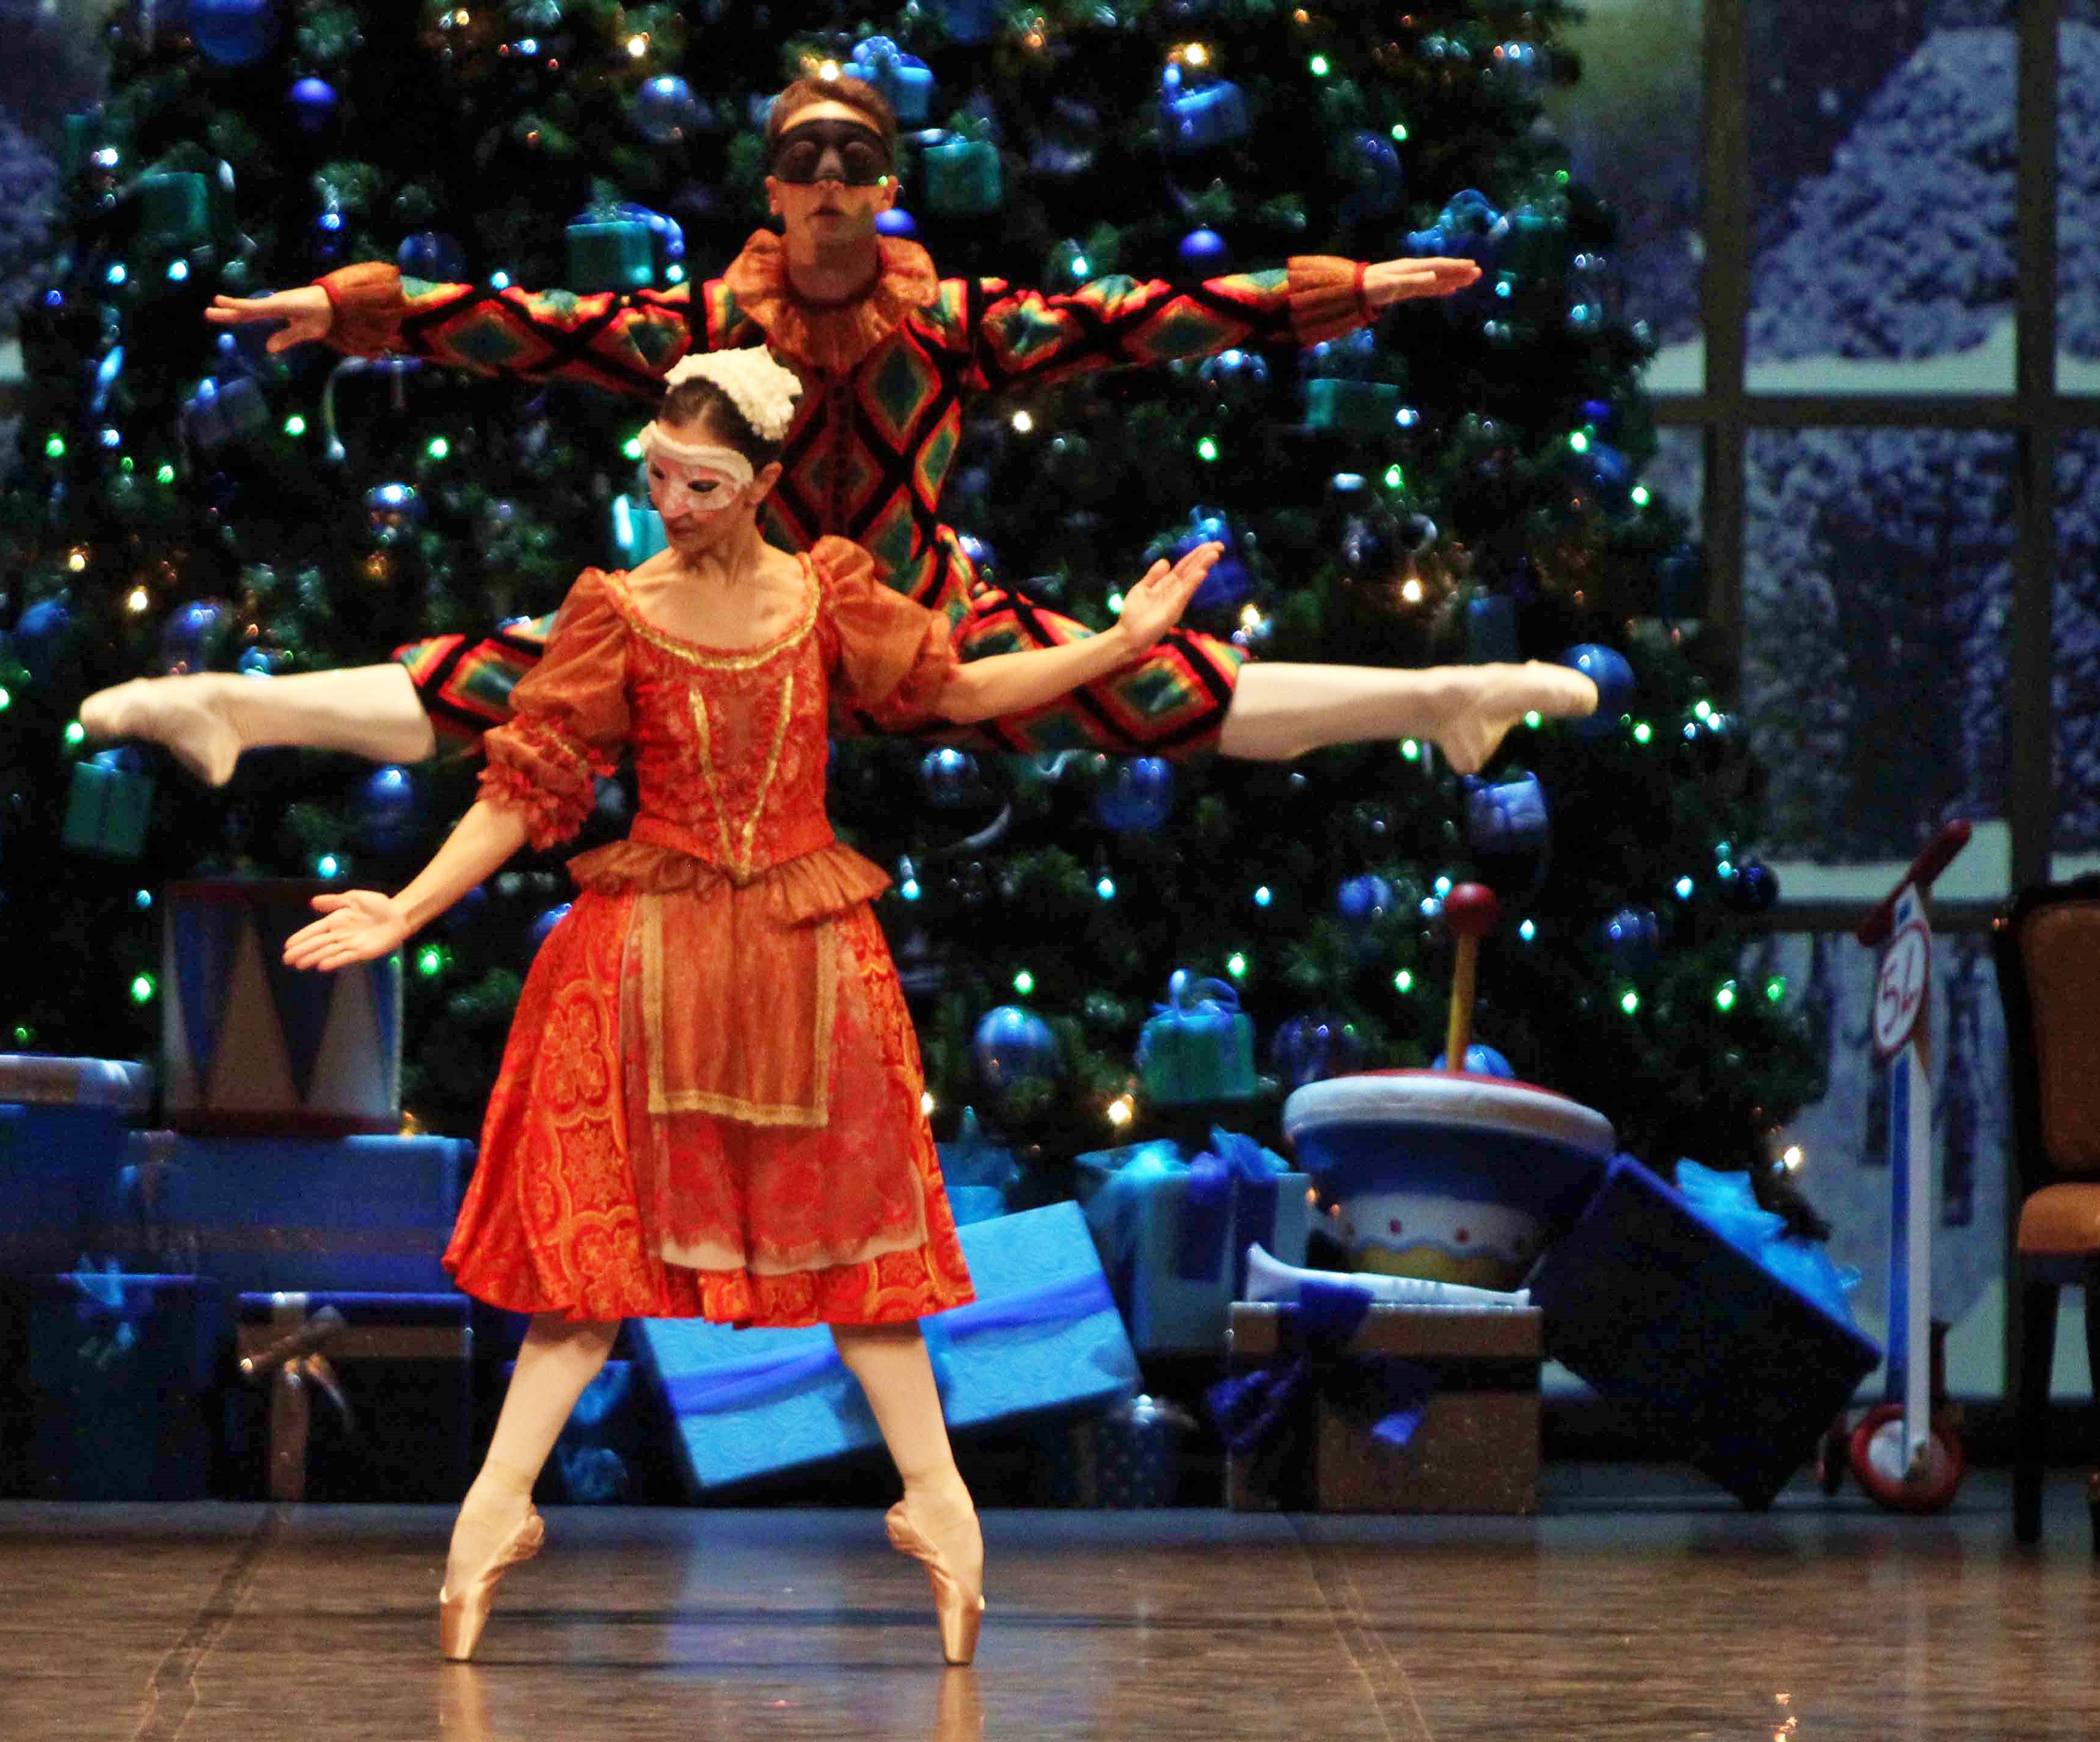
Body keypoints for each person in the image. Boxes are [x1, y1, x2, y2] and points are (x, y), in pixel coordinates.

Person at [282, 348, 1221, 1664]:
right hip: (647, 955)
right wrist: (409, 907)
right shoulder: (619, 610)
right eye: (658, 476)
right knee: (592, 1263)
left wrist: (1115, 648)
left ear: (765, 482)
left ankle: (943, 1511)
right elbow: (529, 781)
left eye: (703, 482)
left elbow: (956, 688)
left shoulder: (825, 593)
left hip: (802, 951)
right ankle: (490, 1518)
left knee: (855, 1247)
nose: (673, 503)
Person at [82, 73, 1596, 782]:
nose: (824, 187)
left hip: (922, 630)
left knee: (1158, 684)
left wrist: (1349, 290)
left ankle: (1447, 694)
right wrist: (352, 307)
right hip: (726, 637)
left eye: (851, 163)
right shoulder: (700, 324)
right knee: (514, 675)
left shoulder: (952, 324)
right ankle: (235, 709)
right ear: (770, 190)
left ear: (884, 188)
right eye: (801, 162)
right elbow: (520, 323)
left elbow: (1148, 314)